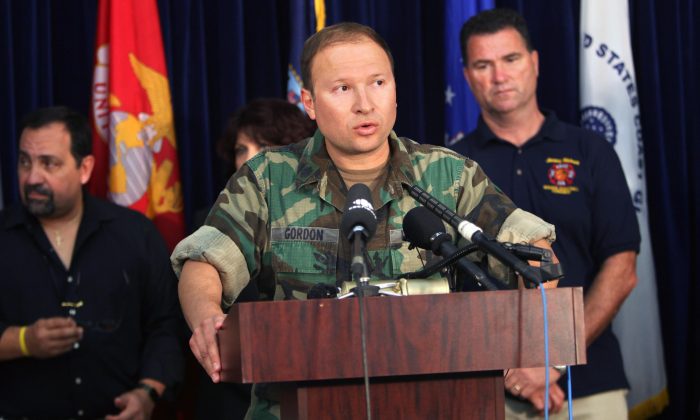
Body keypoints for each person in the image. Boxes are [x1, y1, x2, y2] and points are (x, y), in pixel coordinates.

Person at [172, 22, 558, 419]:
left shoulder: (449, 175)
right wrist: (206, 318)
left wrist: (525, 331)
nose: (364, 103)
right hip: (296, 407)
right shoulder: (269, 177)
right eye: (342, 89)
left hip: (434, 405)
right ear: (309, 102)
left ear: (394, 90)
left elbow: (532, 250)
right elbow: (205, 260)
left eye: (377, 83)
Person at [452, 8, 640, 419]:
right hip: (488, 387)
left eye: (511, 59)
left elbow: (622, 267)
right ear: (467, 76)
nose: (499, 76)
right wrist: (512, 369)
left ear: (534, 63)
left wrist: (554, 360)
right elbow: (445, 284)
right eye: (483, 65)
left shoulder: (590, 151)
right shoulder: (452, 166)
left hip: (589, 383)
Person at [0, 106, 183, 418]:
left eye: (49, 164)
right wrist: (24, 341)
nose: (32, 177)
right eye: (24, 162)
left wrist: (148, 393)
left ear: (84, 169)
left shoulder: (134, 234)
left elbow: (165, 327)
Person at [193, 98, 315, 420]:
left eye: (263, 146)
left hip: (304, 390)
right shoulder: (208, 223)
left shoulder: (322, 217)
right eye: (240, 150)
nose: (248, 160)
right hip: (230, 395)